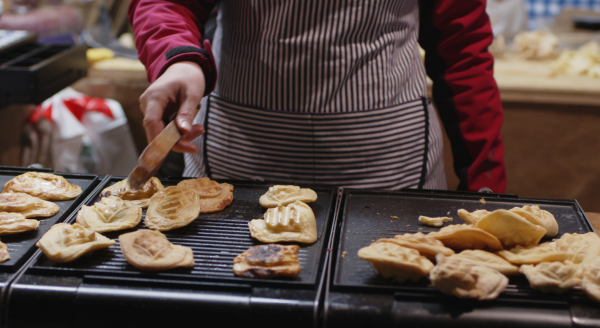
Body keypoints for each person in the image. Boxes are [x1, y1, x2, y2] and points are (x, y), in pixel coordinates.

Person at [128, 0, 506, 193]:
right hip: (238, 159)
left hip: (390, 165)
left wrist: (485, 182)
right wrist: (178, 57)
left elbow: (461, 48)